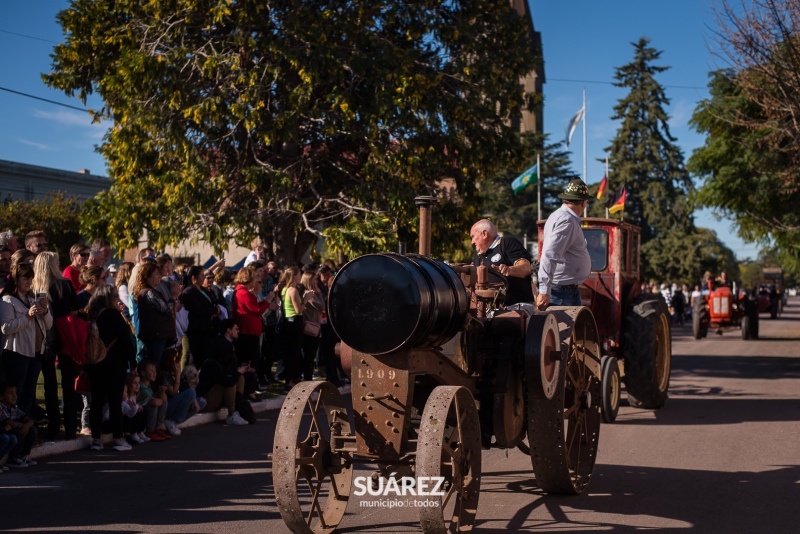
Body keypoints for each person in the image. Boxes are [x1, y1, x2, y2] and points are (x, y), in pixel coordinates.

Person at [85, 285, 137, 452]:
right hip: (114, 364)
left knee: (97, 401)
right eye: (115, 296)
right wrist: (133, 361)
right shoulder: (114, 315)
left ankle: (96, 439)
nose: (117, 299)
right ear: (107, 298)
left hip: (95, 363)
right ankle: (118, 438)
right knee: (115, 402)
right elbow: (126, 339)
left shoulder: (92, 314)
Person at [33, 251, 78, 439]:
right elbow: (74, 310)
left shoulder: (36, 288)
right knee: (68, 384)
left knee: (49, 384)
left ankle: (53, 426)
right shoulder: (65, 284)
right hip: (66, 335)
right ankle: (70, 427)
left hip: (46, 337)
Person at [1, 263, 52, 416]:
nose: (29, 281)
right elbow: (5, 328)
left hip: (34, 353)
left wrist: (45, 311)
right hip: (16, 352)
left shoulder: (31, 299)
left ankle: (27, 424)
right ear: (16, 279)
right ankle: (15, 427)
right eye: (25, 278)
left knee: (29, 393)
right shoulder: (7, 300)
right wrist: (27, 316)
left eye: (31, 278)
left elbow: (48, 325)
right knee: (16, 393)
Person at [536, 179, 593, 309]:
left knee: (570, 328)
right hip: (561, 292)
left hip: (565, 290)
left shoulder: (560, 217)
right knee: (563, 328)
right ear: (584, 203)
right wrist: (545, 290)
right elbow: (550, 254)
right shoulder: (567, 221)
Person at [196, 319, 250, 425]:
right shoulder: (218, 351)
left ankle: (238, 406)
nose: (238, 331)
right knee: (231, 381)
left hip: (217, 389)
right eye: (236, 329)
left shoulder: (229, 345)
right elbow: (226, 378)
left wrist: (240, 369)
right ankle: (232, 414)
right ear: (228, 330)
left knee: (240, 378)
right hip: (206, 399)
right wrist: (238, 371)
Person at [470, 220, 534, 306]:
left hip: (517, 307)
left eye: (473, 236)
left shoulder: (507, 243)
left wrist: (509, 270)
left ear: (484, 234)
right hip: (488, 311)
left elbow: (526, 268)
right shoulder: (477, 258)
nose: (472, 242)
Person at [277, 266, 316, 389]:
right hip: (294, 323)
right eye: (299, 274)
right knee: (293, 353)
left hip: (288, 323)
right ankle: (289, 380)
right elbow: (298, 309)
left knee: (290, 353)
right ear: (294, 276)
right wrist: (306, 299)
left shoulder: (285, 289)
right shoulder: (293, 290)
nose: (301, 276)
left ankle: (290, 378)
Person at [231, 266, 270, 388]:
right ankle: (250, 388)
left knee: (251, 360)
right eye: (253, 278)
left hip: (249, 332)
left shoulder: (242, 292)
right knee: (250, 361)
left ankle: (250, 386)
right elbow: (257, 309)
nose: (255, 281)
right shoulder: (243, 293)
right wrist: (268, 300)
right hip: (247, 333)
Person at [134, 262, 179, 365]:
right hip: (155, 337)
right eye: (156, 275)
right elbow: (166, 309)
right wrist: (173, 297)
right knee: (154, 365)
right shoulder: (149, 293)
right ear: (148, 277)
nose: (160, 277)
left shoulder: (150, 291)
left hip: (157, 336)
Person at [182, 266, 221, 368]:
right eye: (202, 276)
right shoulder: (189, 292)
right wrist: (213, 311)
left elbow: (212, 302)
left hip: (208, 329)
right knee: (197, 359)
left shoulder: (203, 290)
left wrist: (215, 309)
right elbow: (197, 310)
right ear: (194, 278)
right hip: (197, 331)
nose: (204, 278)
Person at [0, 381, 39, 468]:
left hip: (12, 429)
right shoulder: (1, 407)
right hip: (4, 431)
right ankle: (13, 458)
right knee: (18, 431)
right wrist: (23, 426)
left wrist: (27, 425)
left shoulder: (14, 407)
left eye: (15, 393)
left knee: (32, 430)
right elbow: (9, 422)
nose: (14, 396)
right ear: (1, 396)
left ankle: (23, 455)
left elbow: (28, 419)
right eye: (10, 393)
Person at [300, 269, 325, 382]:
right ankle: (307, 378)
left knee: (312, 355)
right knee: (309, 356)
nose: (316, 281)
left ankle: (308, 376)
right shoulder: (307, 294)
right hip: (309, 328)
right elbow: (321, 306)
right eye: (314, 279)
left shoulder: (312, 293)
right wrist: (319, 293)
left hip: (315, 327)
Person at [121, 372, 149, 444]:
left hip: (131, 416)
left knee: (143, 410)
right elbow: (128, 410)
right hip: (126, 419)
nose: (137, 385)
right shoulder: (125, 397)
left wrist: (137, 407)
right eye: (134, 383)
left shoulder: (134, 396)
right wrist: (135, 407)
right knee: (136, 413)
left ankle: (139, 432)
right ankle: (133, 433)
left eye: (138, 383)